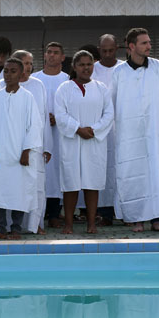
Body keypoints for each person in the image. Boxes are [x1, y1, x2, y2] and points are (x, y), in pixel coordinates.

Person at [111, 28, 159, 232]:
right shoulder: (118, 72)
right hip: (129, 134)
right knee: (132, 173)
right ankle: (136, 218)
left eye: (149, 42)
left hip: (154, 132)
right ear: (132, 46)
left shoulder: (158, 67)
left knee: (155, 172)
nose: (149, 46)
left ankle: (156, 217)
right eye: (144, 43)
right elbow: (112, 103)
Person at [54, 50, 114, 235]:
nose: (86, 68)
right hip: (72, 142)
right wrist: (78, 129)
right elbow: (60, 114)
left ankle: (91, 224)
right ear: (74, 67)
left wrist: (94, 129)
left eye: (89, 64)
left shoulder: (101, 88)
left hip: (94, 142)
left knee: (92, 183)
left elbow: (109, 114)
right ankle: (69, 224)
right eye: (81, 64)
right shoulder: (64, 88)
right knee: (71, 183)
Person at [0, 58, 42, 240]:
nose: (8, 75)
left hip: (19, 155)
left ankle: (15, 229)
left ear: (22, 73)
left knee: (19, 191)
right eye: (6, 71)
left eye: (13, 71)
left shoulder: (27, 97)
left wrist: (26, 151)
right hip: (0, 154)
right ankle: (0, 228)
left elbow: (34, 126)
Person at [10, 49, 52, 235]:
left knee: (36, 186)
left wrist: (47, 145)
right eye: (22, 63)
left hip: (35, 145)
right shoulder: (2, 84)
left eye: (29, 63)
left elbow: (43, 116)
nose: (26, 67)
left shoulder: (38, 85)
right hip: (11, 145)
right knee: (14, 186)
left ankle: (35, 224)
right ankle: (14, 225)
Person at [33, 42, 69, 228]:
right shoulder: (34, 78)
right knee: (41, 170)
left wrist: (59, 118)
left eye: (56, 52)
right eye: (49, 52)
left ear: (63, 57)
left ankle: (55, 212)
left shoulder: (68, 79)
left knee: (57, 171)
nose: (52, 55)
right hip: (38, 134)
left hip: (60, 135)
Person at [92, 34, 124, 226]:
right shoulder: (92, 69)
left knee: (122, 169)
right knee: (103, 170)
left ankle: (125, 211)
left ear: (117, 48)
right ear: (99, 50)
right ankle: (104, 212)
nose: (108, 54)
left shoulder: (125, 68)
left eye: (111, 50)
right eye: (104, 51)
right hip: (101, 129)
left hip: (123, 127)